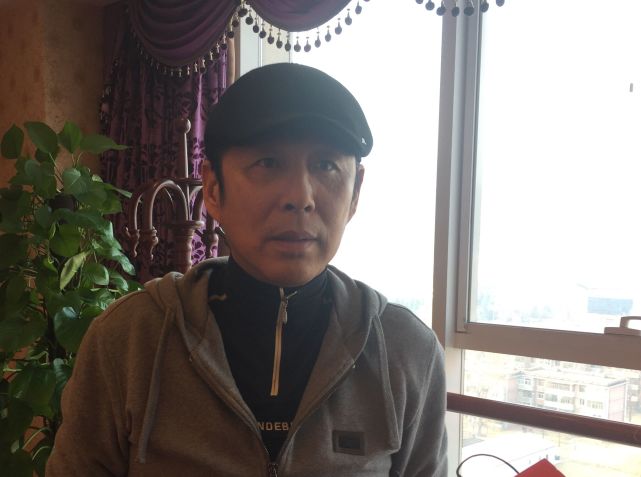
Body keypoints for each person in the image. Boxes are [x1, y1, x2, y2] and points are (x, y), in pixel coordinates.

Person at [47, 62, 447, 476]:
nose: (300, 197)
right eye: (268, 163)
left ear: (356, 191)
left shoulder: (406, 353)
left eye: (326, 165)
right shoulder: (129, 340)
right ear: (213, 189)